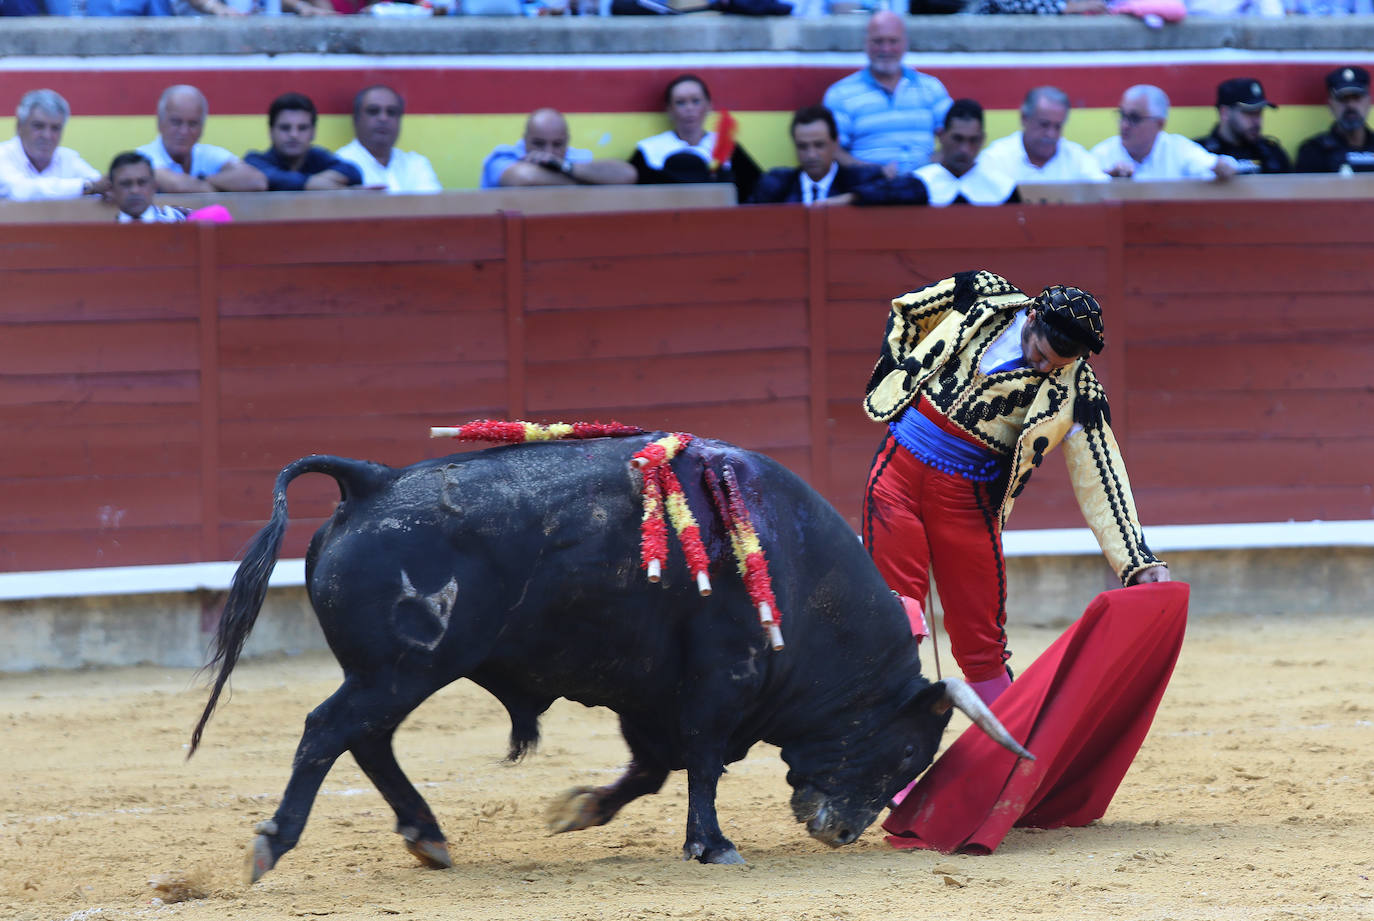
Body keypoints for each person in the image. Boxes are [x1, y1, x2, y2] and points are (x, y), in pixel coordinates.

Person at [861, 271, 1169, 706]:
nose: (1041, 368)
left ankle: (1008, 758)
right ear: (1030, 317)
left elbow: (1101, 474)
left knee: (980, 644)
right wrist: (900, 377)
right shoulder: (981, 294)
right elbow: (907, 310)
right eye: (1040, 353)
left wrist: (1136, 560)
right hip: (897, 477)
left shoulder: (1077, 389)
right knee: (893, 620)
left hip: (966, 507)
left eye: (1054, 365)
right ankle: (884, 763)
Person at [820, 11, 952, 177]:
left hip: (925, 187)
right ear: (866, 44)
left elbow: (955, 138)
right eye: (878, 41)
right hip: (867, 190)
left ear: (905, 44)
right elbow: (833, 151)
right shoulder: (841, 94)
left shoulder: (932, 88)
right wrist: (876, 173)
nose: (886, 49)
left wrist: (929, 167)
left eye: (893, 41)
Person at [839, 100, 1017, 207]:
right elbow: (874, 194)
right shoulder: (921, 182)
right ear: (941, 136)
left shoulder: (1002, 188)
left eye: (973, 140)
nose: (964, 149)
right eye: (958, 139)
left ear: (982, 139)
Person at [629, 73, 761, 203]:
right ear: (669, 109)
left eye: (696, 101)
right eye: (680, 103)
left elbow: (756, 188)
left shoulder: (726, 147)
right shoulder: (650, 149)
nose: (689, 108)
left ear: (709, 106)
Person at [1090, 84, 1238, 181]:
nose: (1124, 125)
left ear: (1160, 124)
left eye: (1134, 118)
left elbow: (1218, 165)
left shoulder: (1178, 149)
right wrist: (1107, 179)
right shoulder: (1102, 155)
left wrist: (1224, 166)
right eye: (1122, 115)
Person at [137, 85, 268, 193]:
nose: (184, 131)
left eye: (193, 124)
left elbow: (257, 181)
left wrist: (204, 180)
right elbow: (177, 186)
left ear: (202, 127)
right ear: (160, 122)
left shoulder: (208, 154)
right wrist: (223, 185)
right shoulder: (142, 157)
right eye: (176, 122)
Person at [747, 105, 883, 204]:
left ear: (835, 143)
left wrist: (853, 197)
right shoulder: (776, 183)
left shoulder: (858, 181)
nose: (811, 155)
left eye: (819, 145)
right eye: (802, 146)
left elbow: (901, 191)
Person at [977, 86, 1110, 183]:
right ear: (1024, 118)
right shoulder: (996, 158)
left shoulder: (1077, 158)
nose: (1051, 134)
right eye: (1044, 125)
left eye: (1057, 127)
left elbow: (1103, 190)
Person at [482, 107, 636, 189]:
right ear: (525, 140)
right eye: (539, 143)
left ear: (567, 141)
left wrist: (565, 166)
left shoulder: (574, 159)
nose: (548, 153)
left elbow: (628, 175)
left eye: (557, 144)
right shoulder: (503, 156)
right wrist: (590, 181)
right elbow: (523, 177)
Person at [0, 89, 108, 201]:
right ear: (19, 127)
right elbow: (21, 191)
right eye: (38, 126)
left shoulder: (68, 158)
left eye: (55, 128)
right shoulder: (2, 155)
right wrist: (86, 187)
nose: (47, 135)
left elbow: (101, 186)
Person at [245, 93, 363, 192]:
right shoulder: (255, 162)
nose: (294, 135)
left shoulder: (318, 156)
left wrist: (315, 182)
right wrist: (312, 183)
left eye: (302, 128)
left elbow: (352, 171)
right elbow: (270, 178)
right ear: (271, 131)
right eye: (285, 128)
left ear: (313, 132)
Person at [336, 86, 443, 193]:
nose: (383, 118)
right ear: (356, 119)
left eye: (391, 112)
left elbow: (433, 207)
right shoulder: (340, 165)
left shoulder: (416, 164)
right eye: (373, 111)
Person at [1194, 78, 1291, 174]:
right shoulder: (1198, 153)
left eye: (1259, 113)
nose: (1257, 121)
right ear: (1225, 113)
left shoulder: (1273, 155)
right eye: (1249, 113)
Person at [1295, 66, 1374, 172]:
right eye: (1342, 99)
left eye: (1356, 98)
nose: (1350, 105)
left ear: (1369, 101)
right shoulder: (1314, 152)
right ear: (1330, 104)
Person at [107, 151, 187, 223]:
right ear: (112, 189)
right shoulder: (104, 235)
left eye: (142, 183)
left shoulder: (179, 222)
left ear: (154, 186)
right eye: (126, 184)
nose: (135, 190)